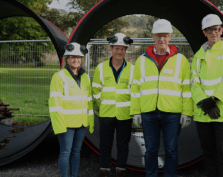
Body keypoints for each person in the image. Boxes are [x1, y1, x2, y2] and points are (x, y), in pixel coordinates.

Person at [130, 19, 193, 177]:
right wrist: (135, 111)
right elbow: (135, 88)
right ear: (153, 37)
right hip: (148, 112)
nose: (161, 39)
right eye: (158, 35)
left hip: (172, 113)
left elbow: (186, 88)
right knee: (150, 149)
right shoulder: (142, 61)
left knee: (171, 149)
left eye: (165, 35)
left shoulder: (181, 60)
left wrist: (187, 112)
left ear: (170, 36)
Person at [190, 14, 223, 177]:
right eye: (210, 30)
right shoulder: (199, 55)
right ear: (204, 32)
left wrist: (214, 100)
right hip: (204, 112)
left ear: (221, 30)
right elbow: (194, 82)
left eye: (216, 29)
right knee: (209, 154)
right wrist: (203, 103)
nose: (214, 32)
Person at [49, 42, 94, 177]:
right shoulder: (59, 76)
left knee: (76, 152)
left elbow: (89, 100)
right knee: (65, 152)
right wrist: (59, 125)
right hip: (66, 124)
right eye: (72, 57)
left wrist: (90, 121)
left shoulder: (85, 76)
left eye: (79, 57)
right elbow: (54, 103)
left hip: (81, 123)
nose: (76, 60)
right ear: (67, 59)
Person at [92, 33, 134, 177]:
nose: (119, 52)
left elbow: (135, 91)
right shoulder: (101, 67)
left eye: (122, 49)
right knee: (105, 144)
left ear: (125, 51)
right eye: (116, 48)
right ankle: (104, 168)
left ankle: (121, 169)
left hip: (125, 113)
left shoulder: (133, 69)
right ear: (111, 49)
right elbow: (96, 89)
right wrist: (102, 104)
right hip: (106, 113)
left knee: (123, 144)